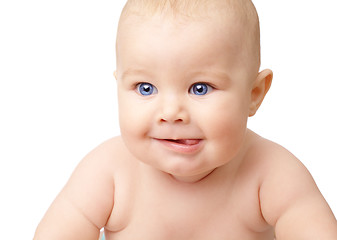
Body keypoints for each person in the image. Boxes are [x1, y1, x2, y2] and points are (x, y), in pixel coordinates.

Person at [34, 0, 337, 239]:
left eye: (200, 88)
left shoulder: (271, 173)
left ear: (254, 94)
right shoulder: (108, 172)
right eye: (145, 88)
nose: (170, 113)